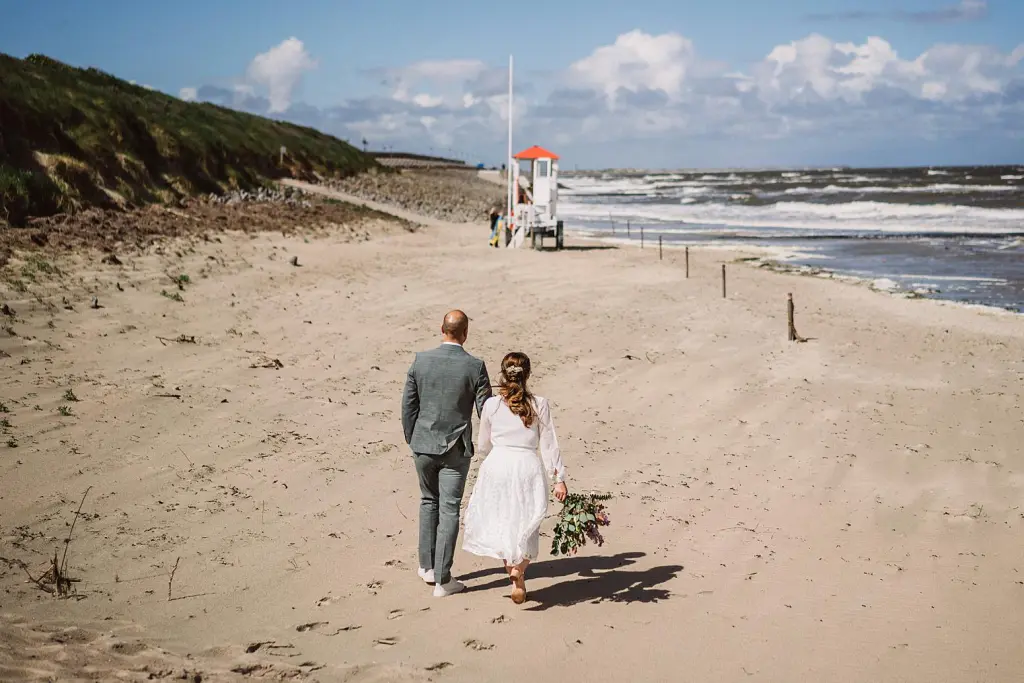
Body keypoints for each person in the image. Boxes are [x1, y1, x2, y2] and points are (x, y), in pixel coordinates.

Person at [462, 352, 568, 604]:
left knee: (504, 520)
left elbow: (484, 445)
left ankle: (513, 571)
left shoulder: (490, 405)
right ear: (528, 374)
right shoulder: (539, 403)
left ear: (502, 374)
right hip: (527, 467)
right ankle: (519, 570)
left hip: (498, 465)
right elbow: (549, 444)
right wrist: (559, 478)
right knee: (528, 521)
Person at [402, 311, 492, 597]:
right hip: (456, 448)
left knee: (429, 502)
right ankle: (442, 579)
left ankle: (426, 567)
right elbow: (486, 412)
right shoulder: (475, 366)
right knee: (450, 509)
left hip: (422, 445)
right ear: (465, 333)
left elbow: (408, 407)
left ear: (442, 330)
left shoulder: (421, 360)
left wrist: (413, 439)